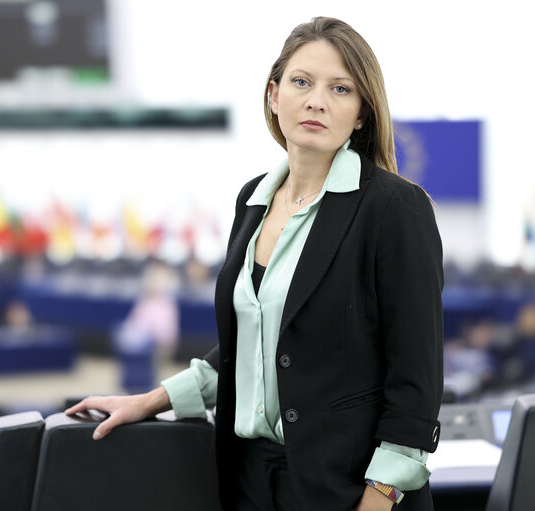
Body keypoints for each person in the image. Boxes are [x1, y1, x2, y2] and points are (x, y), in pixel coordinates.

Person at [66, 16, 444, 511]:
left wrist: (380, 495)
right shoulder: (254, 199)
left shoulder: (395, 207)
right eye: (301, 82)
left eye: (341, 89)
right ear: (273, 94)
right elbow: (251, 346)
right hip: (250, 482)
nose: (316, 101)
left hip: (348, 488)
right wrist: (151, 400)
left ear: (360, 115)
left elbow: (416, 376)